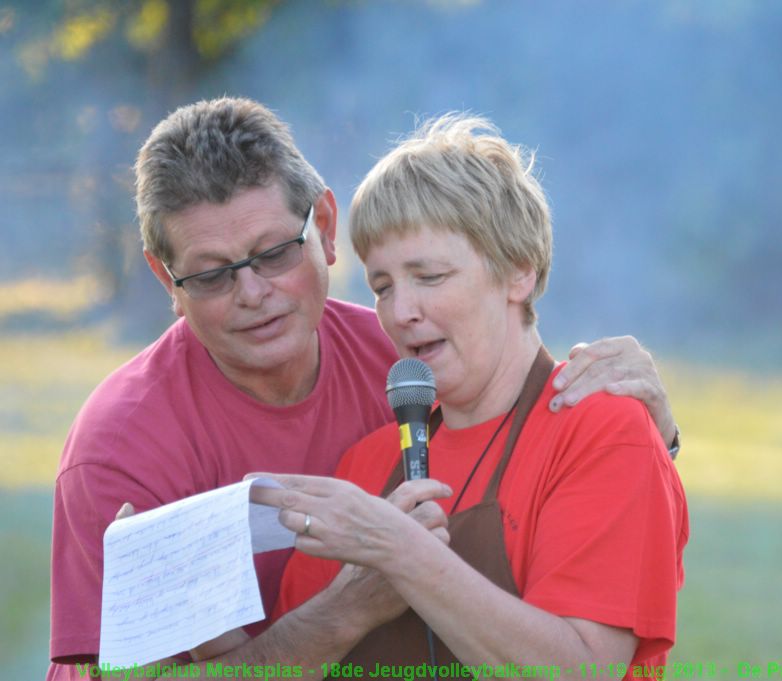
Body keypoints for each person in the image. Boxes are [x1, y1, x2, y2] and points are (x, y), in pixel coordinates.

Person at [48, 97, 681, 680]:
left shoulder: (409, 366)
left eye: (273, 255)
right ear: (167, 279)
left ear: (323, 227)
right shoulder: (122, 451)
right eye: (212, 276)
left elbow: (517, 383)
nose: (402, 312)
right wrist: (199, 612)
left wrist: (655, 442)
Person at [253, 114, 688, 678]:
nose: (401, 311)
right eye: (382, 286)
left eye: (429, 276)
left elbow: (584, 670)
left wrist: (401, 552)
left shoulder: (604, 433)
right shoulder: (366, 462)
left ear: (518, 272)